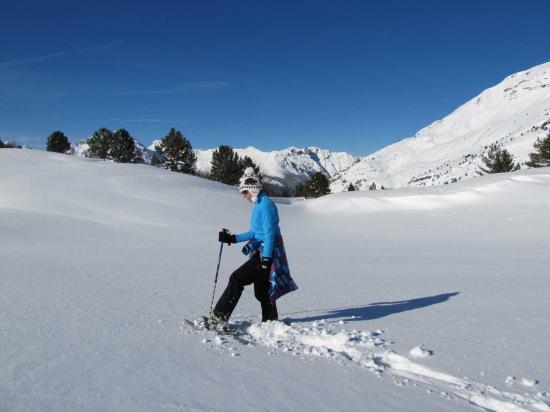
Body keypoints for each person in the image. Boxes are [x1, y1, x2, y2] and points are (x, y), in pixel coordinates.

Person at [211, 167, 297, 323]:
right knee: (262, 290)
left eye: (245, 192)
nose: (244, 196)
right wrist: (232, 238)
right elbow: (255, 232)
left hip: (268, 251)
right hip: (263, 250)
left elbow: (270, 235)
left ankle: (219, 317)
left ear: (253, 189)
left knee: (236, 278)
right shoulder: (259, 205)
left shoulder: (266, 206)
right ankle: (271, 321)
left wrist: (266, 262)